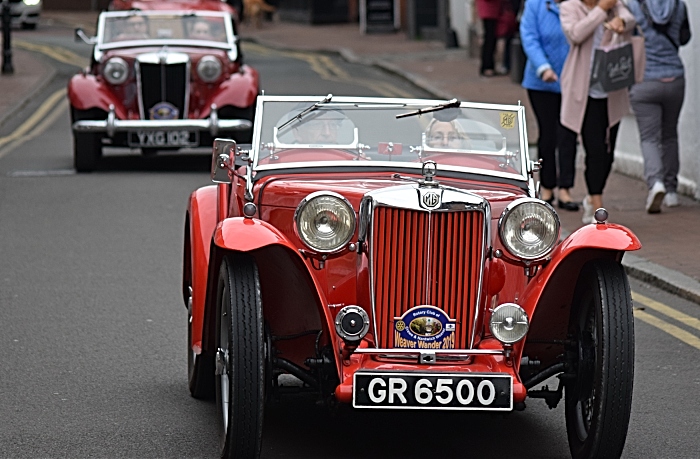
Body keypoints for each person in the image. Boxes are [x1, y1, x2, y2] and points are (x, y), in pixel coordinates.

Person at [559, 0, 636, 224]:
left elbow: (630, 19)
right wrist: (600, 11)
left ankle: (594, 194)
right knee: (594, 148)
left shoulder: (615, 4)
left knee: (608, 150)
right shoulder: (570, 7)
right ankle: (596, 202)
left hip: (612, 90)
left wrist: (620, 20)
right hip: (585, 92)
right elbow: (575, 33)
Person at [625, 0, 689, 213]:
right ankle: (671, 191)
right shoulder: (678, 5)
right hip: (675, 78)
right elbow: (684, 37)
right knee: (670, 134)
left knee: (649, 137)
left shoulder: (632, 6)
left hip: (645, 80)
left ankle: (656, 183)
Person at [520, 0, 579, 211]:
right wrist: (543, 67)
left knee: (568, 133)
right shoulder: (535, 5)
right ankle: (547, 186)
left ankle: (565, 188)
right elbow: (529, 37)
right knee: (547, 134)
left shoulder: (577, 4)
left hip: (572, 80)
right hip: (541, 82)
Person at [476, 0, 503, 76]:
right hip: (489, 11)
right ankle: (487, 66)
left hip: (492, 11)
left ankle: (489, 66)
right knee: (489, 40)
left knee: (491, 40)